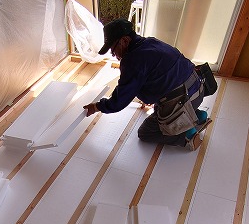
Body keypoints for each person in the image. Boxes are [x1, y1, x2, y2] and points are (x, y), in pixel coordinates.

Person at [83, 18, 211, 150]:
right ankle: (199, 116)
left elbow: (119, 101)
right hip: (198, 88)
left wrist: (97, 106)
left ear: (125, 41)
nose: (114, 55)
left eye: (113, 49)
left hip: (184, 99)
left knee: (146, 132)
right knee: (159, 107)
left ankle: (186, 135)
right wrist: (147, 95)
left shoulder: (132, 60)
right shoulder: (150, 42)